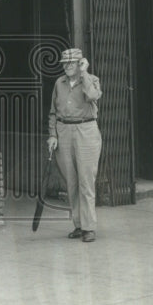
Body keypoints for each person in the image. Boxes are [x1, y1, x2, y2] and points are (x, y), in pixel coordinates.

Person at [47, 48, 103, 242]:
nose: (67, 66)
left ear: (80, 63)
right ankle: (78, 224)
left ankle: (89, 227)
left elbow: (93, 96)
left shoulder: (91, 79)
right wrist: (52, 135)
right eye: (64, 63)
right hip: (64, 132)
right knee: (71, 182)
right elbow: (53, 112)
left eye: (72, 63)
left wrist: (85, 73)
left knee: (86, 181)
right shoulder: (59, 83)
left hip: (85, 131)